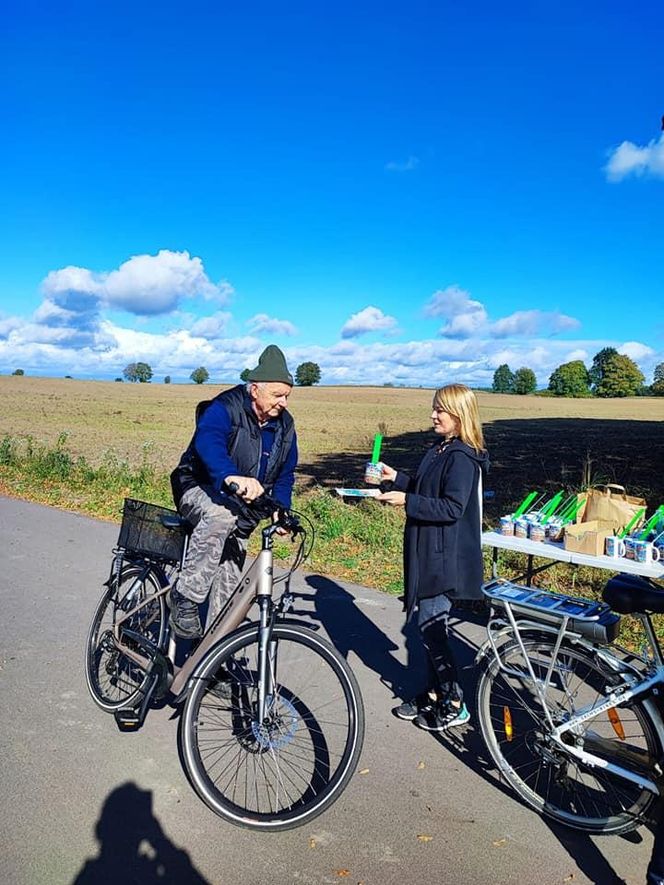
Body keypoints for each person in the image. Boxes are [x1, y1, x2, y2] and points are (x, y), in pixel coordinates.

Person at [377, 383, 489, 732]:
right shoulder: (440, 449)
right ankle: (432, 693)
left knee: (431, 629)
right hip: (428, 552)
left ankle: (455, 702)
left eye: (440, 410)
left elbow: (452, 507)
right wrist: (397, 478)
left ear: (459, 415)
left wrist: (405, 501)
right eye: (434, 408)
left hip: (445, 558)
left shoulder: (462, 457)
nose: (433, 415)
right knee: (428, 629)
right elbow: (428, 488)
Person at [168, 345, 298, 638]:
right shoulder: (225, 407)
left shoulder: (285, 427)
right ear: (255, 390)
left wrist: (281, 508)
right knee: (221, 516)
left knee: (229, 580)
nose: (284, 402)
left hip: (241, 508)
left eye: (287, 395)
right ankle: (184, 595)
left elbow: (286, 474)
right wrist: (230, 477)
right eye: (277, 395)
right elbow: (208, 442)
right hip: (197, 488)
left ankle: (214, 659)